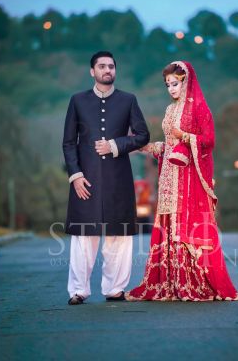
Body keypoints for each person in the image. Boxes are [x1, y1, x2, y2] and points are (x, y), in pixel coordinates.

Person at [125, 61, 238, 301]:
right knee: (169, 224)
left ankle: (192, 282)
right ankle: (169, 283)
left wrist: (185, 136)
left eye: (175, 84)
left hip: (189, 179)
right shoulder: (169, 110)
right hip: (169, 177)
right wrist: (148, 147)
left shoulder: (200, 108)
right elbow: (169, 146)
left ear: (186, 82)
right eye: (168, 84)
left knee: (186, 226)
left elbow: (209, 140)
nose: (171, 89)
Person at [62, 51, 150, 305]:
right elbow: (68, 142)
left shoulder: (128, 100)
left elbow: (142, 135)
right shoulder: (77, 101)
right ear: (93, 71)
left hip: (118, 179)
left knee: (118, 236)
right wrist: (75, 176)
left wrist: (115, 145)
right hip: (85, 179)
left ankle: (115, 289)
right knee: (83, 237)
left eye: (111, 66)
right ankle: (78, 290)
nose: (107, 70)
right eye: (102, 66)